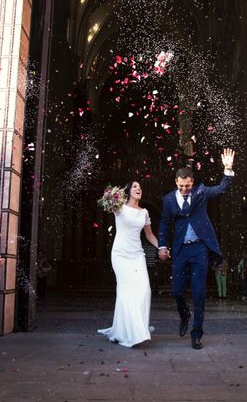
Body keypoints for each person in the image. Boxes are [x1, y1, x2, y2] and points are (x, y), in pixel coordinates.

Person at [158, 148, 235, 350]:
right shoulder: (168, 200)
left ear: (192, 182)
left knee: (199, 293)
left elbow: (221, 189)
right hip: (181, 250)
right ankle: (185, 315)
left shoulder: (200, 192)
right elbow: (165, 223)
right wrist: (163, 245)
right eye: (182, 186)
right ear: (176, 182)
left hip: (200, 250)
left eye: (188, 186)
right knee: (176, 292)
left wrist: (227, 169)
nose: (185, 189)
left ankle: (196, 334)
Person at [98, 181, 159, 347]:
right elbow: (106, 206)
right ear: (128, 191)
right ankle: (130, 332)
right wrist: (110, 196)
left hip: (137, 255)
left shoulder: (144, 212)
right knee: (125, 292)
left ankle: (137, 327)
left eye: (140, 186)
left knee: (144, 290)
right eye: (135, 187)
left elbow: (149, 235)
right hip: (120, 254)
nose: (139, 188)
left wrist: (161, 246)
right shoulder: (119, 207)